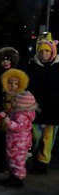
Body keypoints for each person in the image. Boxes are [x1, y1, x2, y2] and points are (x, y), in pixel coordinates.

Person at [24, 34, 59, 174]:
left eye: (47, 51)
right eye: (41, 51)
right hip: (35, 108)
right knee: (35, 136)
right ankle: (31, 157)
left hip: (53, 109)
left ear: (52, 52)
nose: (44, 53)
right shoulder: (32, 66)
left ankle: (42, 163)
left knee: (48, 138)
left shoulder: (57, 67)